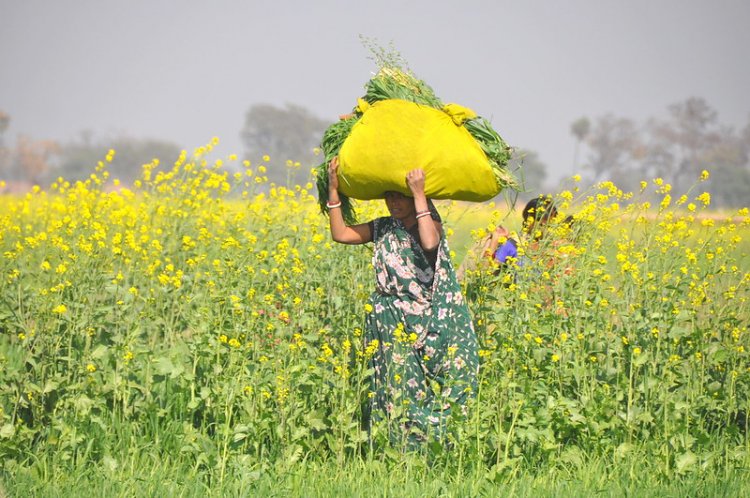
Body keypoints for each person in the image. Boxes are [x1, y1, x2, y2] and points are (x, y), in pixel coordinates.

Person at [326, 156, 479, 448]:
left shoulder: (431, 224)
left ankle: (444, 447)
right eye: (389, 196)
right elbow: (341, 234)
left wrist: (420, 192)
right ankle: (401, 450)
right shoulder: (384, 227)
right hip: (393, 324)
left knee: (456, 384)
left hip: (434, 322)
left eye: (400, 195)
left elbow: (430, 243)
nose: (393, 202)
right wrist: (334, 190)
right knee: (397, 388)